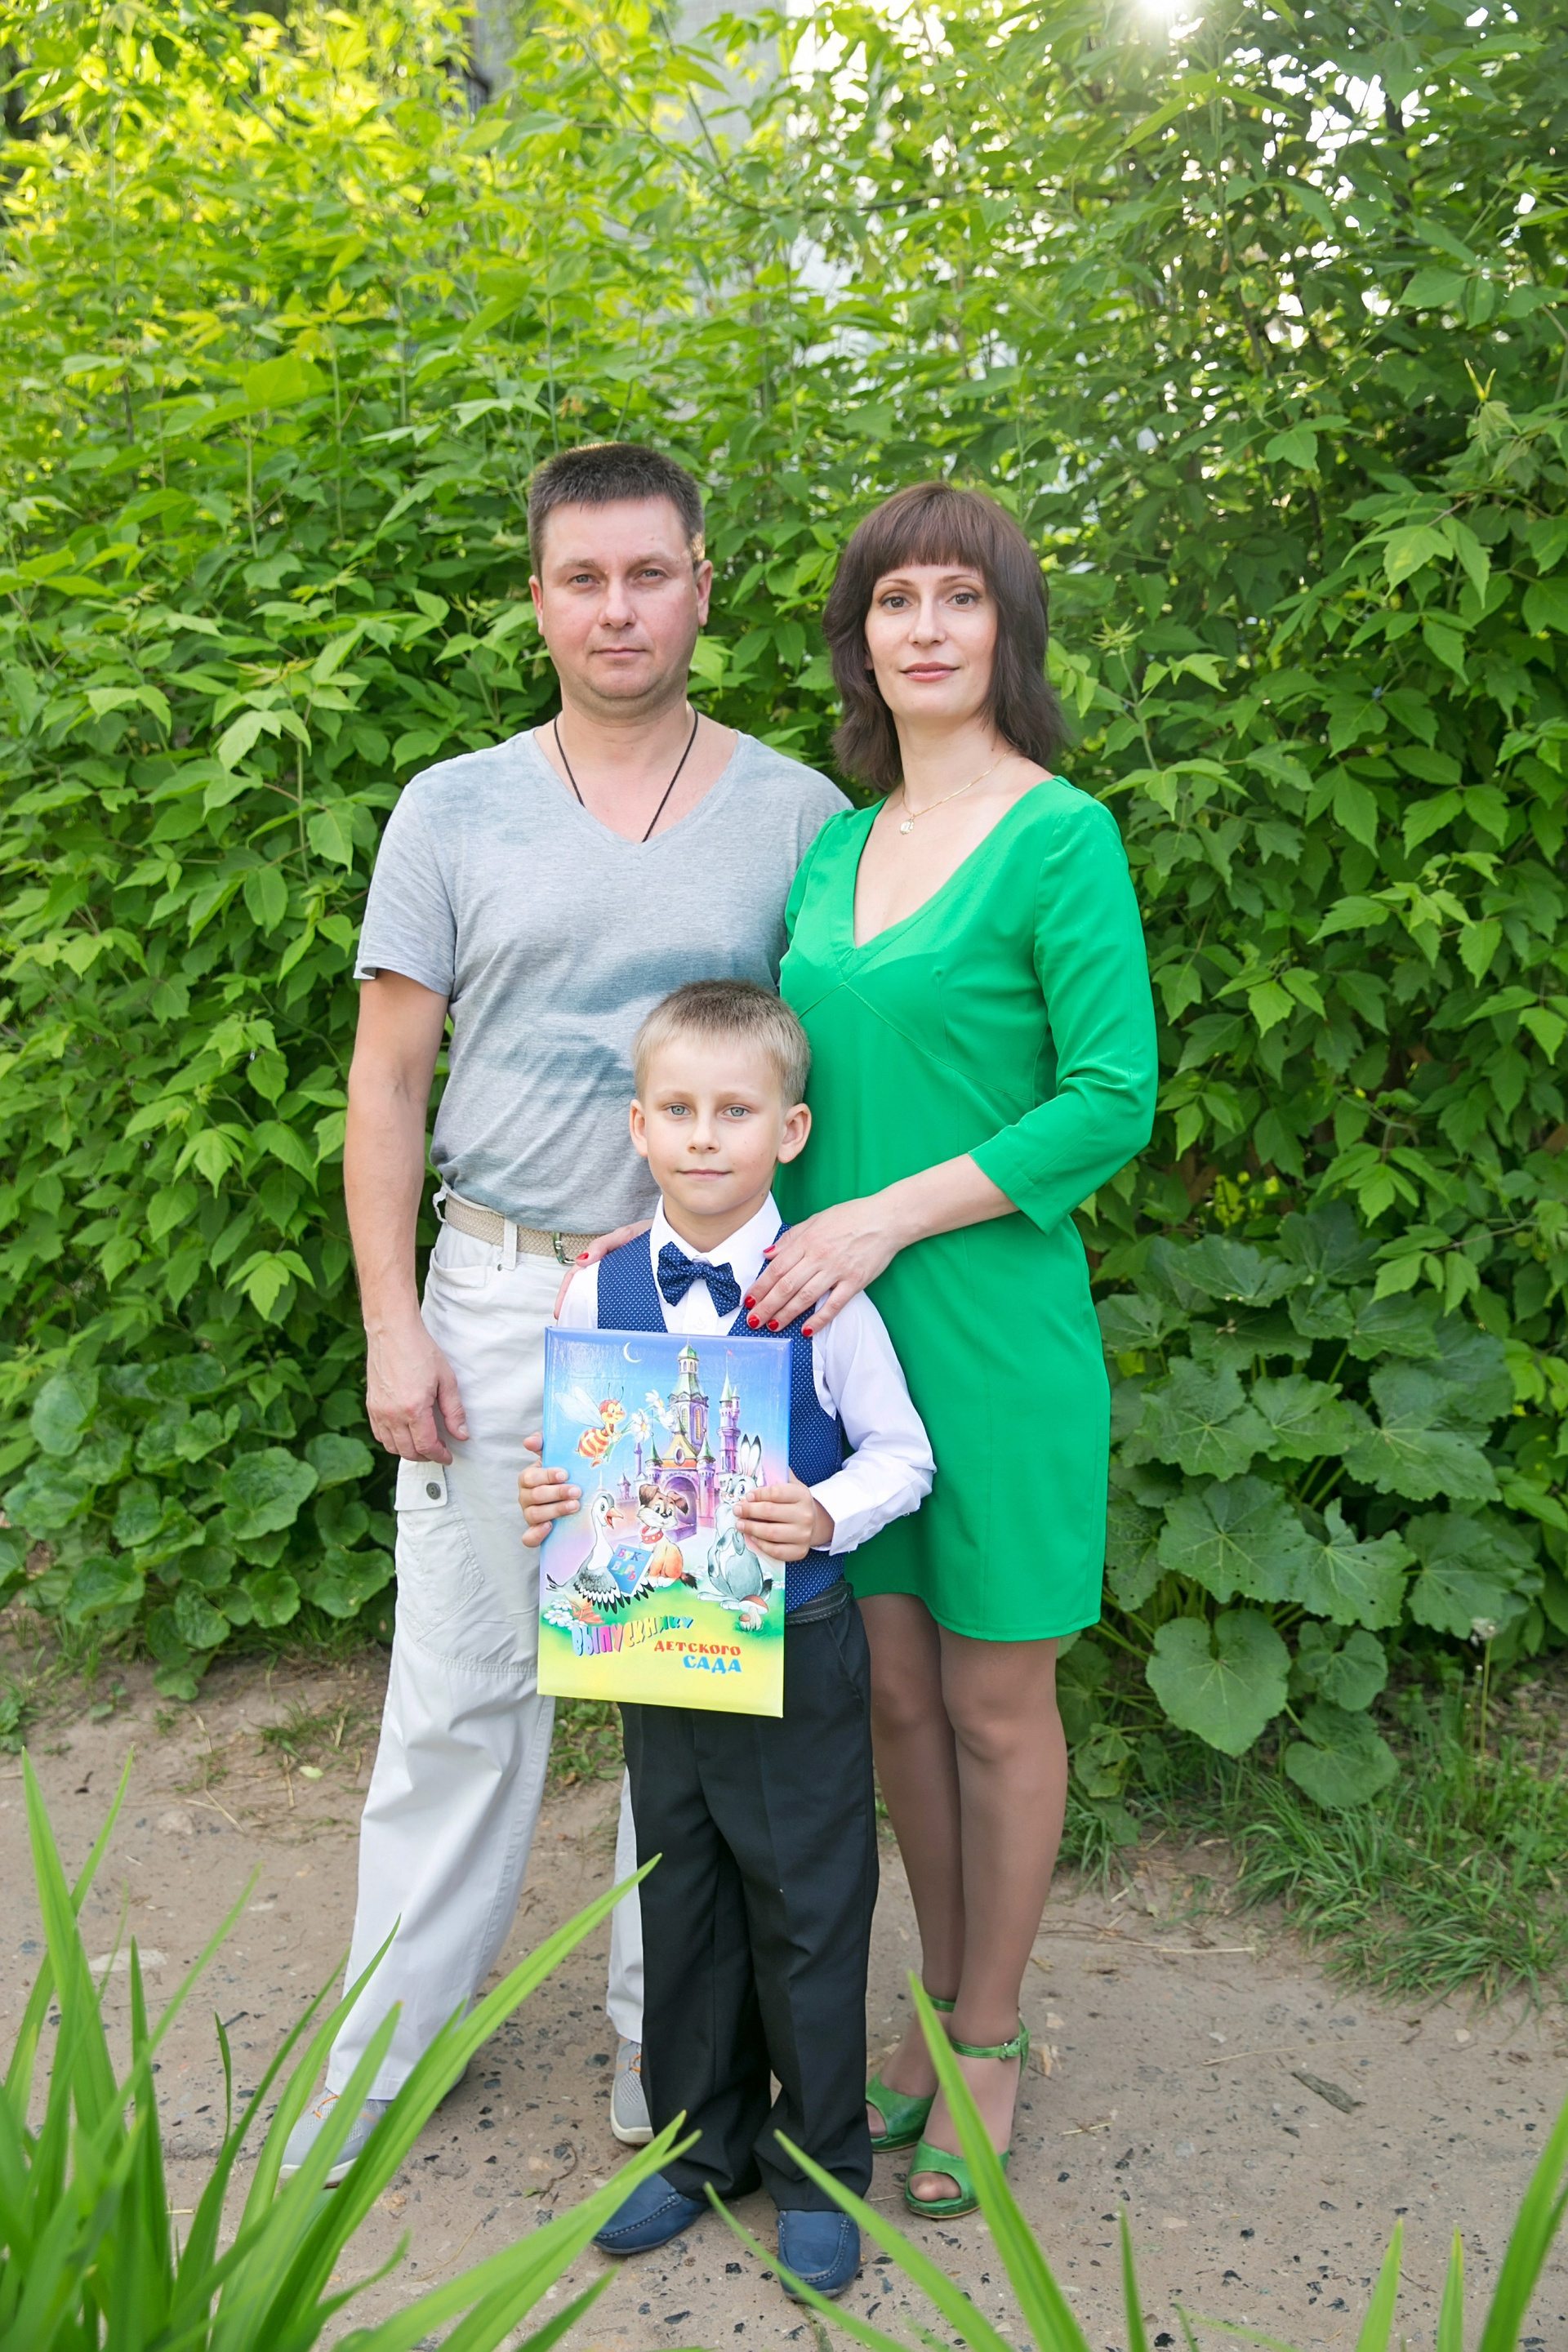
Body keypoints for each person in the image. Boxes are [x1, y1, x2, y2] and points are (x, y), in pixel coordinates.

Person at [280, 444, 846, 2182]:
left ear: (702, 586)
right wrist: (392, 1322)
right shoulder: (452, 808)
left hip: (703, 1320)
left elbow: (828, 1083)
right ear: (537, 599)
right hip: (500, 1288)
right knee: (460, 1688)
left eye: (649, 574)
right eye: (582, 579)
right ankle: (390, 2048)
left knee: (682, 1703)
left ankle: (665, 2056)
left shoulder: (798, 814)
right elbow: (387, 1081)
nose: (617, 610)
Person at [744, 481, 1158, 2218]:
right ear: (861, 640)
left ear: (1009, 629)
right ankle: (928, 1998)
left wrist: (882, 1221)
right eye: (895, 599)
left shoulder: (1062, 837)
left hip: (985, 1332)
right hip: (842, 1343)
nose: (926, 628)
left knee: (994, 1700)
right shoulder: (833, 848)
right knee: (895, 1695)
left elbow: (1111, 1099)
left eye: (960, 597)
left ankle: (990, 2027)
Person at [521, 979, 933, 2301]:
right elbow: (574, 1457)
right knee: (681, 1895)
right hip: (655, 1651)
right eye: (681, 1110)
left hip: (796, 1645)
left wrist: (825, 1513)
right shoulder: (594, 1289)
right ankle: (701, 2146)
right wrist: (549, 1498)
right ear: (639, 1126)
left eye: (736, 1112)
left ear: (789, 1130)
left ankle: (818, 2168)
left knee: (805, 1904)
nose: (706, 1136)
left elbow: (903, 1457)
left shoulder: (822, 1295)